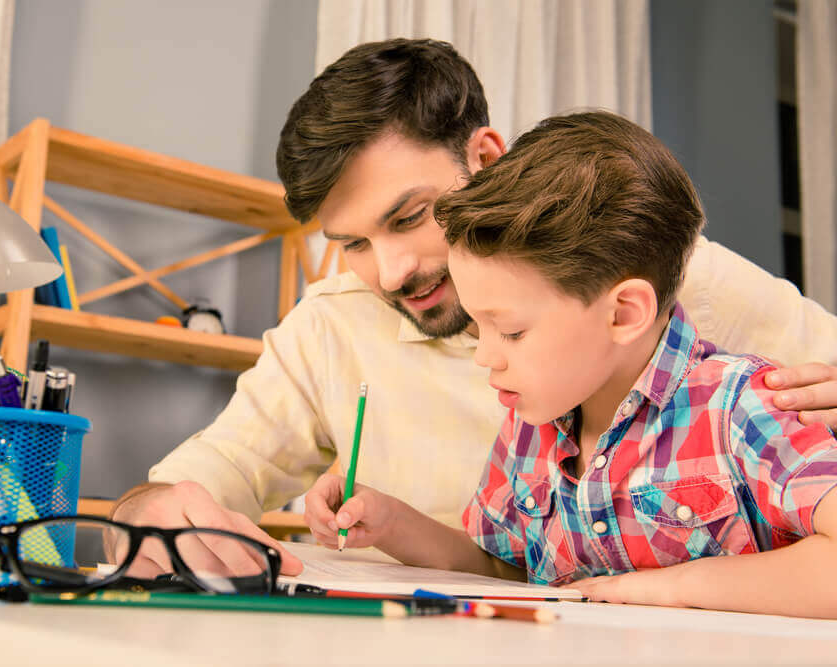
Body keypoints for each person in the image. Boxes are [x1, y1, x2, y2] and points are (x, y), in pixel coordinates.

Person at [110, 39, 837, 577]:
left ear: (485, 160)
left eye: (409, 217)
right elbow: (206, 469)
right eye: (352, 243)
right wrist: (147, 509)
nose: (391, 272)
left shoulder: (663, 271)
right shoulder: (329, 327)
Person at [309, 110, 837, 618]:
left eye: (511, 331)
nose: (486, 356)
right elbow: (504, 569)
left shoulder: (742, 408)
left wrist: (671, 588)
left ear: (624, 313)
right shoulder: (529, 427)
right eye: (480, 326)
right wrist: (392, 524)